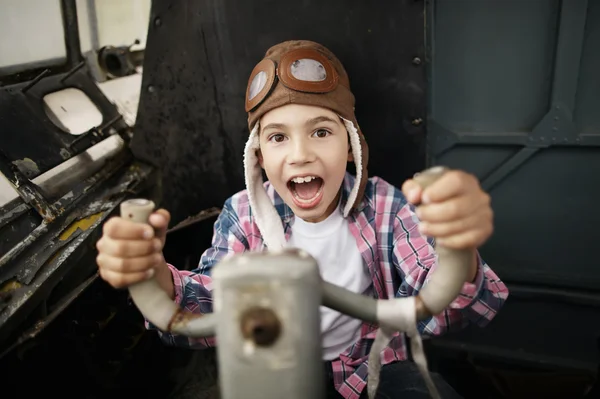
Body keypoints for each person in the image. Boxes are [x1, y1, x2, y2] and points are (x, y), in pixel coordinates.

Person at [96, 40, 509, 398]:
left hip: (372, 368)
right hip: (272, 365)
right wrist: (151, 275)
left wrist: (457, 245)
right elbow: (209, 306)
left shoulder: (386, 205)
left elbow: (447, 300)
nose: (300, 155)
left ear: (351, 147)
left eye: (321, 132)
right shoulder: (242, 215)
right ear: (258, 157)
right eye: (278, 137)